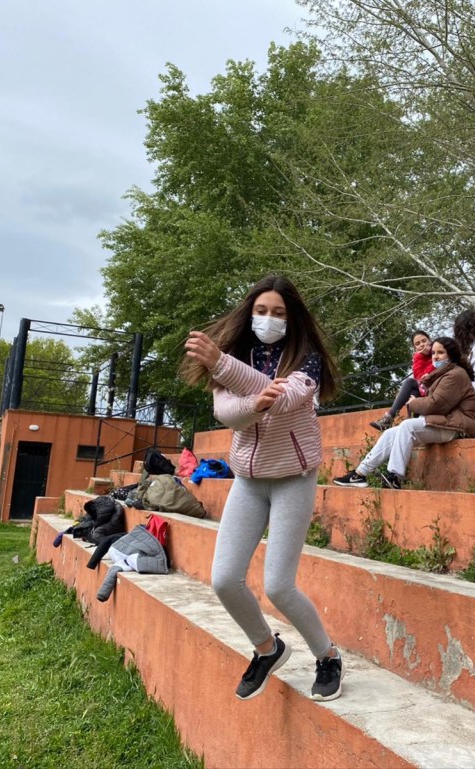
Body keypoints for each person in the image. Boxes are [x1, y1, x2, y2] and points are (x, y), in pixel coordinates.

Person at [181, 275, 344, 702]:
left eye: (278, 313)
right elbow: (227, 413)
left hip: (293, 478)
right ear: (249, 312)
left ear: (292, 318)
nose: (269, 319)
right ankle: (267, 648)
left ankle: (328, 656)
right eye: (261, 310)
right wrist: (249, 397)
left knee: (279, 587)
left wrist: (223, 365)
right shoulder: (236, 355)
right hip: (248, 480)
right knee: (224, 579)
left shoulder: (306, 359)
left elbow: (286, 401)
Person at [334, 336, 475, 490]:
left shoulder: (456, 375)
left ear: (451, 355)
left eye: (440, 353)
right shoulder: (442, 374)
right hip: (444, 422)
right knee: (390, 433)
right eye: (433, 353)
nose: (435, 356)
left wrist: (414, 402)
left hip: (457, 426)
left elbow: (436, 405)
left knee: (407, 426)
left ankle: (394, 476)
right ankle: (359, 474)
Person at [369, 330, 434, 431]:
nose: (422, 345)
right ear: (415, 348)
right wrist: (419, 357)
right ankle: (410, 424)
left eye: (424, 341)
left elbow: (433, 373)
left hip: (437, 388)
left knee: (409, 382)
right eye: (417, 344)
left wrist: (431, 354)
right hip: (424, 389)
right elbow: (419, 377)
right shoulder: (419, 357)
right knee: (413, 391)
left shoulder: (438, 352)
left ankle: (390, 419)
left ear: (430, 340)